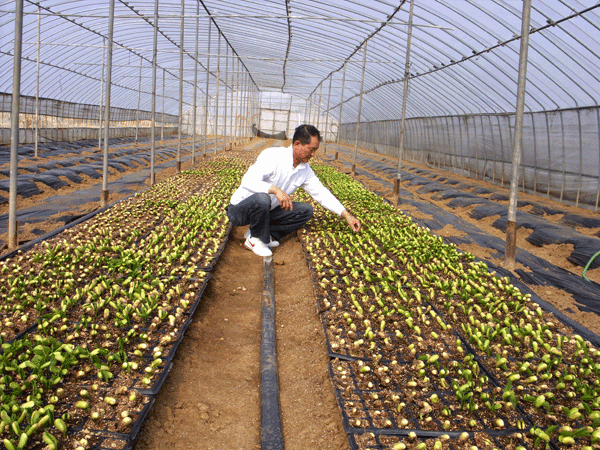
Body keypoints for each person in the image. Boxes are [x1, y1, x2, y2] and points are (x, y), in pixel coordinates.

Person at [226, 124, 361, 257]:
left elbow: (321, 193)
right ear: (297, 144)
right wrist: (275, 190)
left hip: (266, 211)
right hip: (240, 210)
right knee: (263, 197)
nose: (313, 154)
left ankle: (264, 235)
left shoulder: (305, 170)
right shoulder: (273, 156)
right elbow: (247, 181)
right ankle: (255, 239)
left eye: (315, 150)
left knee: (305, 210)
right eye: (311, 149)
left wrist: (346, 215)